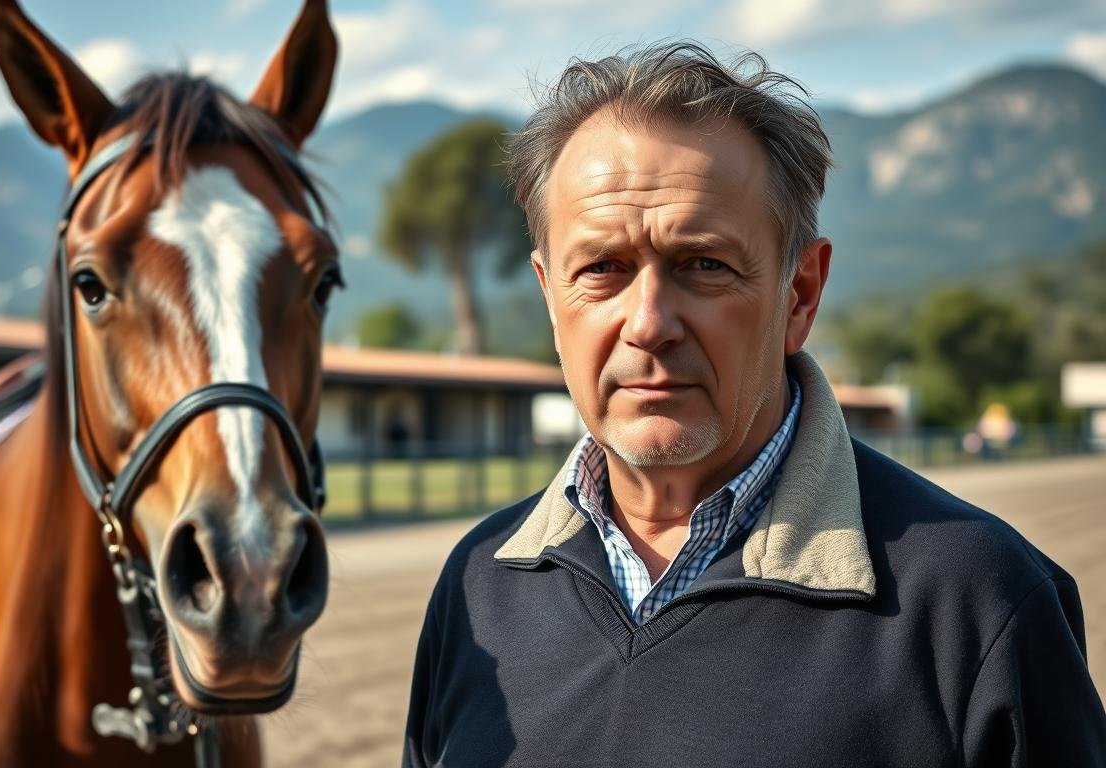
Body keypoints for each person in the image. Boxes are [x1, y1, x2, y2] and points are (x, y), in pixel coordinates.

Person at [402, 42, 1106, 767]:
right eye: (603, 268)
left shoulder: (977, 601)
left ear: (800, 293)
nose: (648, 323)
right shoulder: (477, 586)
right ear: (551, 297)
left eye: (704, 265)